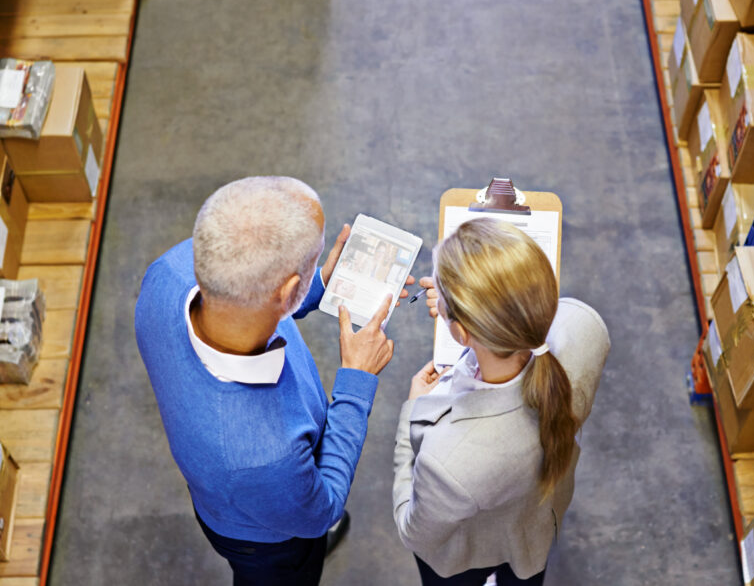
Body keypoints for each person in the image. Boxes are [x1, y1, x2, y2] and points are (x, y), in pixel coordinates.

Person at [135, 176, 407, 586]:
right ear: (285, 292)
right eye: (313, 264)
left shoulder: (168, 273)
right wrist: (356, 381)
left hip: (235, 494)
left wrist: (314, 287)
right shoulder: (263, 457)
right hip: (266, 543)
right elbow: (322, 510)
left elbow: (244, 302)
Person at [393, 218, 610, 586]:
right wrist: (462, 311)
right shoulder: (584, 328)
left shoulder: (449, 462)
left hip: (471, 551)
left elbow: (414, 530)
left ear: (461, 332)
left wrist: (411, 416)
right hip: (535, 526)